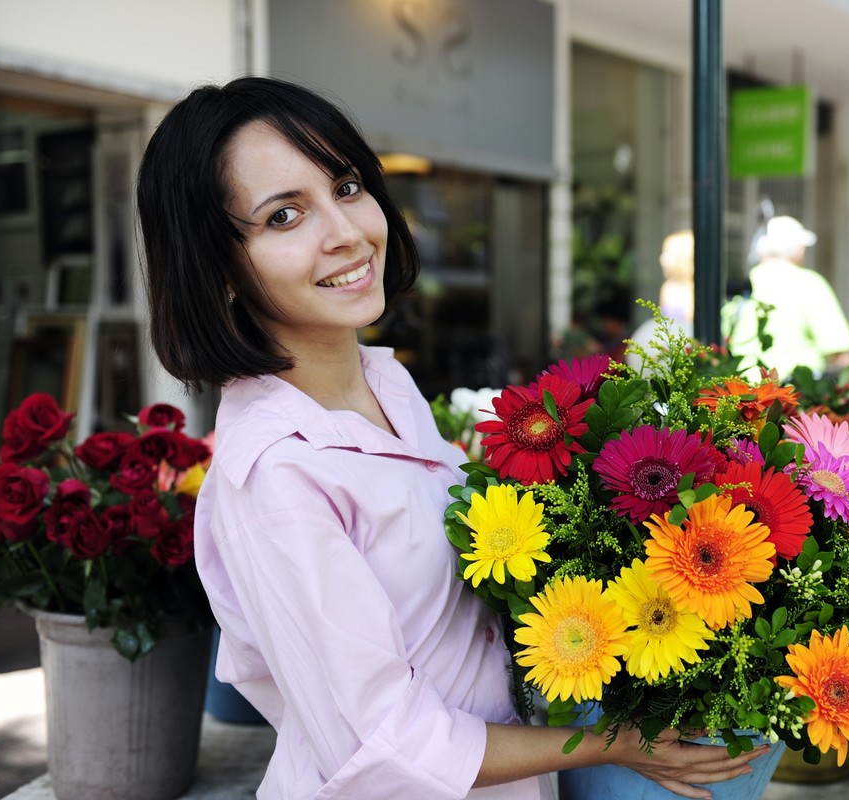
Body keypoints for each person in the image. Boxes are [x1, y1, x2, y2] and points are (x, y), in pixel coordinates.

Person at [136, 77, 768, 800]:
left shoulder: (387, 385)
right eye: (284, 216)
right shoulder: (276, 474)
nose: (345, 231)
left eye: (344, 186)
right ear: (217, 270)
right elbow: (382, 745)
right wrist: (616, 746)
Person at [726, 215, 849, 382]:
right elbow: (841, 354)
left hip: (741, 394)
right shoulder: (810, 283)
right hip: (793, 398)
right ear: (798, 250)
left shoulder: (744, 283)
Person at [627, 228, 693, 370]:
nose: (662, 259)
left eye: (668, 254)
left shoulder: (692, 289)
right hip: (663, 352)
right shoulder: (668, 288)